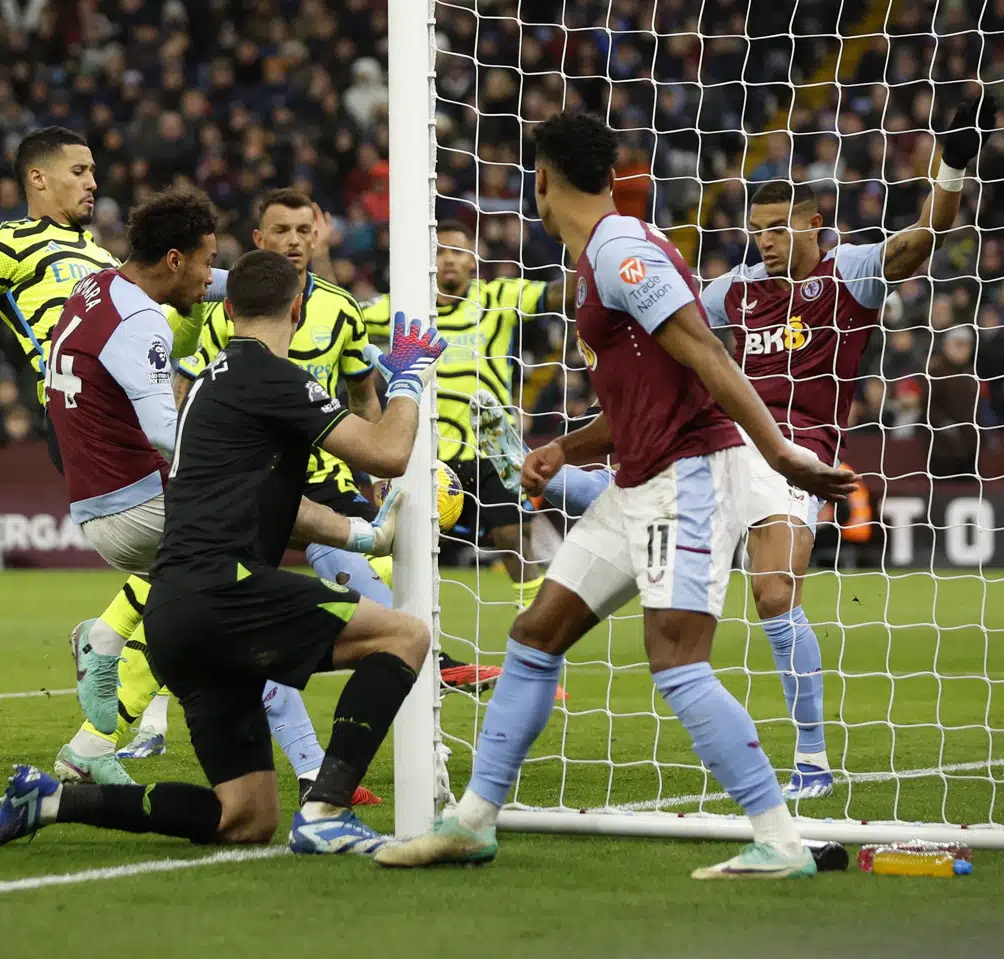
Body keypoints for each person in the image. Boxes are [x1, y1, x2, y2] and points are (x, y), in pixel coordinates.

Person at [376, 111, 855, 877]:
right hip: (635, 480)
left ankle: (781, 839)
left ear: (541, 181)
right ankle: (472, 821)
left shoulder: (623, 251)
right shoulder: (600, 254)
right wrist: (566, 446)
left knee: (675, 659)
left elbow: (702, 350)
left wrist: (782, 454)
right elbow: (644, 390)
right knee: (536, 633)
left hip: (686, 478)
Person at [0, 250, 444, 853]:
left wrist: (363, 536)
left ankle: (52, 799)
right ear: (296, 310)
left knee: (245, 818)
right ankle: (326, 809)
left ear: (230, 309)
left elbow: (273, 506)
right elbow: (386, 453)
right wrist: (404, 380)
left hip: (175, 616)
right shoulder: (271, 376)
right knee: (403, 637)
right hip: (226, 593)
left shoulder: (209, 387)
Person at [0, 127, 224, 785]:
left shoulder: (97, 252)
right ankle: (120, 697)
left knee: (191, 554)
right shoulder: (5, 245)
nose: (94, 182)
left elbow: (169, 322)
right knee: (208, 542)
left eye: (94, 170)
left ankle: (120, 693)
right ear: (39, 179)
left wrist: (232, 293)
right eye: (80, 170)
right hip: (84, 418)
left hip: (138, 404)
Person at [698, 96, 993, 798]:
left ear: (812, 225)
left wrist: (949, 168)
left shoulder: (847, 272)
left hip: (794, 454)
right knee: (659, 602)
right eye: (756, 232)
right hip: (716, 450)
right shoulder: (731, 292)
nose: (764, 243)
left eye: (777, 230)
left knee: (772, 592)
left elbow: (920, 240)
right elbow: (667, 322)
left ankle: (810, 759)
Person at [62, 188, 390, 801]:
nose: (214, 277)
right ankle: (317, 765)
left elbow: (218, 283)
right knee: (246, 566)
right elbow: (168, 429)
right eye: (209, 260)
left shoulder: (101, 287)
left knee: (202, 603)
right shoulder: (144, 324)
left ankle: (91, 739)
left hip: (99, 497)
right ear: (177, 258)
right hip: (135, 499)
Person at [361, 221, 563, 642]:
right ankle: (378, 628)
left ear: (474, 259)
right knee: (399, 542)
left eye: (458, 250)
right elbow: (353, 319)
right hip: (425, 450)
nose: (449, 258)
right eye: (440, 251)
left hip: (486, 447)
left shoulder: (497, 296)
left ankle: (538, 641)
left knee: (512, 539)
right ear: (428, 261)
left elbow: (556, 296)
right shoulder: (404, 305)